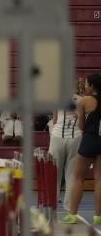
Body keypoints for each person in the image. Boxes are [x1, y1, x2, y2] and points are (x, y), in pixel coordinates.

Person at [64, 74, 101, 224]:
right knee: (99, 180)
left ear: (92, 86)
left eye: (86, 84)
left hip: (89, 140)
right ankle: (98, 216)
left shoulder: (84, 101)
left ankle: (73, 215)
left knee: (78, 178)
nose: (85, 86)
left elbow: (81, 126)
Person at [49, 81, 83, 211]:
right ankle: (69, 207)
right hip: (75, 137)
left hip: (57, 136)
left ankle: (52, 205)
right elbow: (82, 121)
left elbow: (55, 120)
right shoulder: (81, 100)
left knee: (54, 173)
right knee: (71, 174)